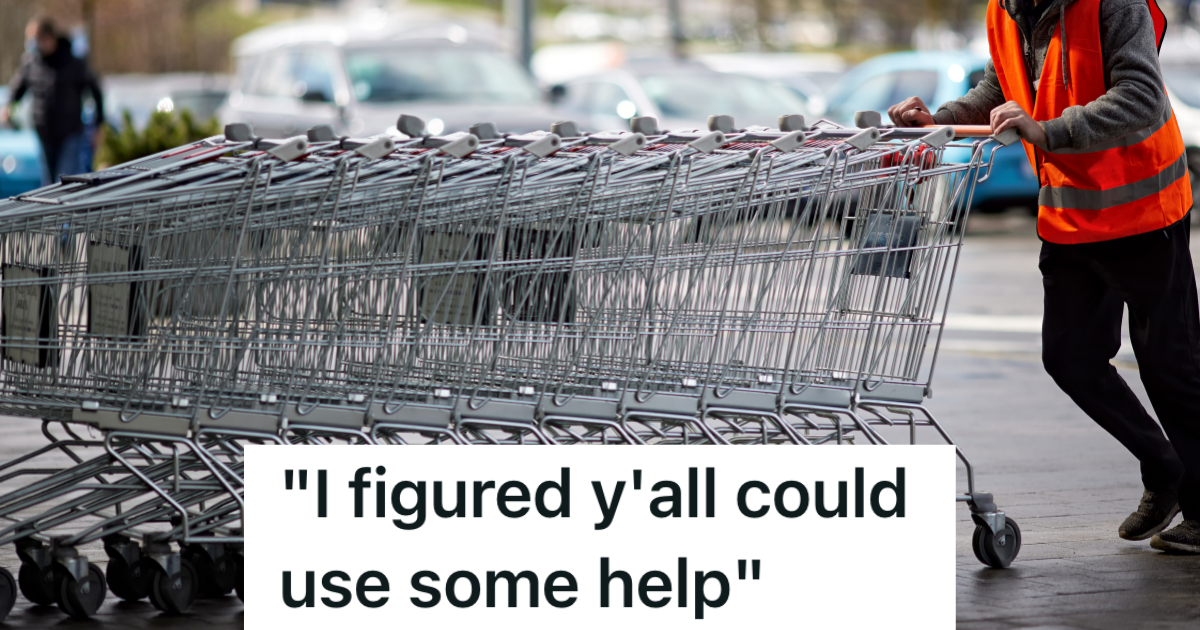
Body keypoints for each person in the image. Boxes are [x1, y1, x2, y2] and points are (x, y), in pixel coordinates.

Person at [889, 0, 1200, 554]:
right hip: (1070, 215)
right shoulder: (1005, 11)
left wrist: (1049, 130)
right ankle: (1166, 468)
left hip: (1143, 211)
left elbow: (1143, 98)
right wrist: (939, 121)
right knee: (1070, 357)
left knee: (1171, 365)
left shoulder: (1112, 5)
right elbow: (999, 87)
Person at [0, 17, 105, 186]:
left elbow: (95, 90)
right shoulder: (31, 62)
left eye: (36, 39)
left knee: (64, 181)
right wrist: (9, 106)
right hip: (44, 133)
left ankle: (66, 213)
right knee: (49, 184)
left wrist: (99, 123)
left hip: (70, 132)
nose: (33, 44)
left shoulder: (73, 62)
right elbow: (18, 88)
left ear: (49, 38)